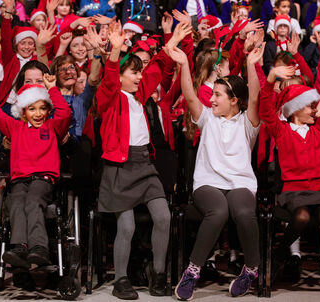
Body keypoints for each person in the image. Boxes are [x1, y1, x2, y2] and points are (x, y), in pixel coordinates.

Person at [95, 21, 188, 299]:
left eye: (139, 73)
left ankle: (158, 274)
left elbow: (158, 67)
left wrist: (172, 41)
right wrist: (114, 50)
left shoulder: (140, 95)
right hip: (120, 167)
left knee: (163, 216)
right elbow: (109, 77)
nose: (139, 77)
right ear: (120, 75)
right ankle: (120, 280)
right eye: (133, 73)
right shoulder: (109, 98)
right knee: (127, 226)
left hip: (144, 165)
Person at [170, 35, 263, 302]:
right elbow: (189, 97)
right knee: (218, 211)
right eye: (212, 94)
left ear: (234, 100)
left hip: (239, 182)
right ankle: (192, 270)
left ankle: (251, 270)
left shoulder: (247, 122)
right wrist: (184, 65)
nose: (211, 99)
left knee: (244, 212)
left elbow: (254, 97)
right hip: (208, 182)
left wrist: (251, 65)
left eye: (218, 95)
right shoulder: (207, 118)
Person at [0, 61, 71, 268]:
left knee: (33, 200)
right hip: (19, 179)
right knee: (16, 203)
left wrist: (52, 89)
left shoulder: (52, 126)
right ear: (22, 111)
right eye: (32, 109)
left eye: (42, 109)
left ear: (47, 110)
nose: (37, 114)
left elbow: (65, 113)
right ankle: (19, 245)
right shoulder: (15, 127)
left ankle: (39, 248)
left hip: (43, 178)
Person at [261, 58, 320, 282]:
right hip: (294, 190)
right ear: (294, 109)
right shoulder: (281, 130)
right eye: (309, 106)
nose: (314, 109)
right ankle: (279, 257)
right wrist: (271, 79)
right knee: (300, 216)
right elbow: (265, 109)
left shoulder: (319, 128)